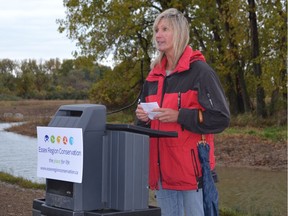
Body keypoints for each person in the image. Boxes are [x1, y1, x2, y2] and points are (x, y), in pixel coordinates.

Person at [135, 8, 230, 216]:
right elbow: (142, 121)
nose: (158, 35)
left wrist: (179, 115)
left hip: (191, 174)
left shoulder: (200, 72)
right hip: (161, 174)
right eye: (156, 30)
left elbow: (221, 118)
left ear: (178, 33)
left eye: (164, 29)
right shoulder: (153, 75)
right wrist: (142, 118)